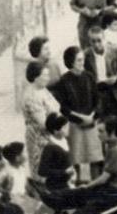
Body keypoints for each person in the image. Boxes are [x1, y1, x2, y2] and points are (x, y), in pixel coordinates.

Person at [53, 45, 102, 182]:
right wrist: (79, 118)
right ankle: (79, 185)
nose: (82, 63)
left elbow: (98, 99)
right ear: (71, 62)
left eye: (83, 59)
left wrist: (93, 116)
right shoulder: (64, 81)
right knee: (76, 159)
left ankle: (96, 184)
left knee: (95, 158)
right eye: (79, 60)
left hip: (91, 123)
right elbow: (63, 107)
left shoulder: (89, 77)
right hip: (74, 125)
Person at [22, 61, 62, 176]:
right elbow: (43, 124)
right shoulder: (32, 96)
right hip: (39, 138)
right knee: (43, 170)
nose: (48, 78)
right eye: (45, 75)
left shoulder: (42, 89)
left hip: (52, 135)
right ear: (35, 77)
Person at [36, 114, 74, 192]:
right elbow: (42, 171)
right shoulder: (50, 147)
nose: (68, 129)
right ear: (56, 131)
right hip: (56, 187)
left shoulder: (65, 141)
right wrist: (64, 172)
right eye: (65, 127)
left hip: (67, 183)